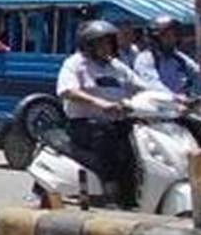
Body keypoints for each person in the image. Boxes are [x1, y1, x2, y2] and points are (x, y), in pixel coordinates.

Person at [56, 19, 149, 208]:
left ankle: (133, 193)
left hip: (118, 121)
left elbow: (142, 87)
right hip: (85, 124)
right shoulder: (75, 64)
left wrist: (171, 100)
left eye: (108, 42)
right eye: (101, 42)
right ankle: (110, 190)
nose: (106, 47)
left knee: (138, 143)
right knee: (106, 136)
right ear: (88, 44)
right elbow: (67, 91)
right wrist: (101, 103)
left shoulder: (116, 66)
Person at [133, 16, 201, 97]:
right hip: (160, 105)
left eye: (175, 35)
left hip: (184, 104)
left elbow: (198, 75)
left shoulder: (179, 57)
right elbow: (153, 84)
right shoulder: (145, 59)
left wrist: (194, 94)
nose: (173, 39)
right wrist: (175, 98)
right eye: (168, 36)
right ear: (155, 39)